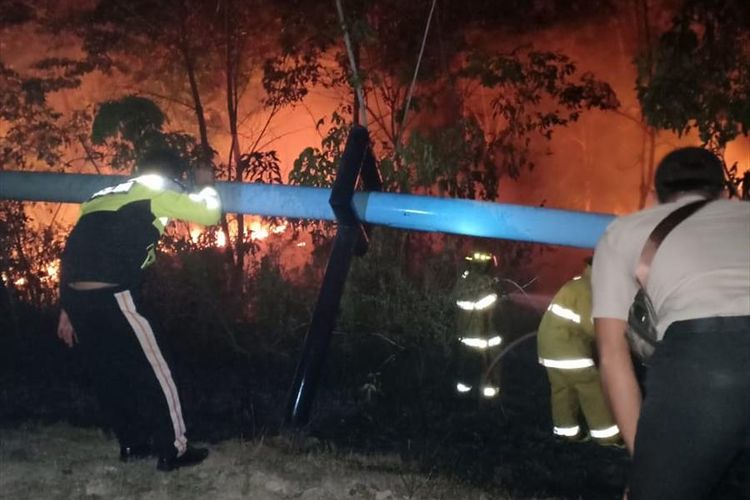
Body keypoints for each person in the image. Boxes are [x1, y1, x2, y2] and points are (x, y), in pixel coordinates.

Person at [592, 146, 750, 499]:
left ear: (653, 197)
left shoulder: (625, 232)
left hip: (705, 362)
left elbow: (612, 355)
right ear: (727, 194)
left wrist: (650, 466)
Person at [56, 149, 221, 472]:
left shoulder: (99, 196)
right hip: (116, 293)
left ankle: (131, 443)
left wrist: (65, 308)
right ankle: (174, 451)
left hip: (78, 296)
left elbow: (76, 249)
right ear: (172, 176)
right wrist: (205, 185)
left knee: (110, 372)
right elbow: (209, 214)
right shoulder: (156, 189)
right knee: (160, 370)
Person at [537, 258, 621, 446]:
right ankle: (607, 437)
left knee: (562, 390)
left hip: (549, 349)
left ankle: (566, 433)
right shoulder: (587, 290)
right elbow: (591, 325)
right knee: (592, 389)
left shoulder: (578, 284)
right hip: (568, 349)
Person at [452, 248, 503, 403]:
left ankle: (462, 400)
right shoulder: (489, 284)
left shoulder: (463, 280)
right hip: (486, 341)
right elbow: (497, 314)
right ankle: (489, 402)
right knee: (489, 372)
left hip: (465, 338)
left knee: (465, 372)